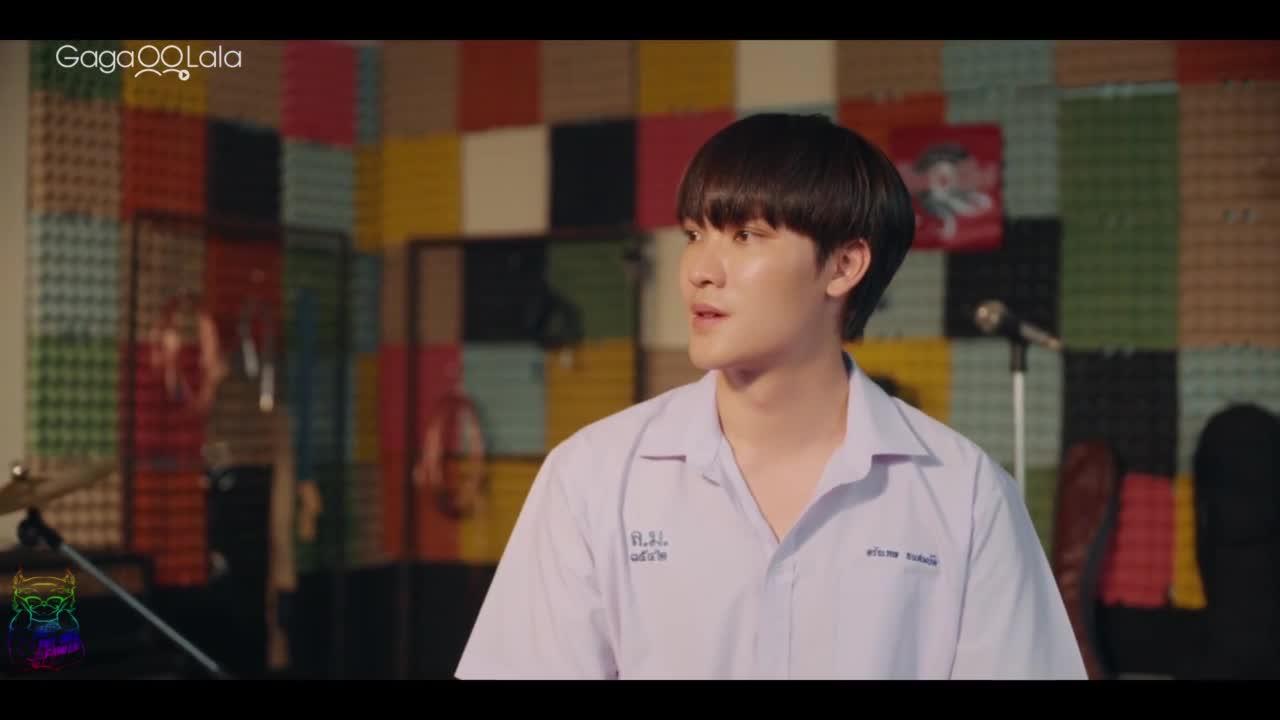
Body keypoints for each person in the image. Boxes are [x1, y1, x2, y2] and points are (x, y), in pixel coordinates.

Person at [454, 113, 1087, 680]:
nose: (700, 270)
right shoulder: (591, 477)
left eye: (745, 235)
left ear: (844, 266)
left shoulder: (964, 495)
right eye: (695, 234)